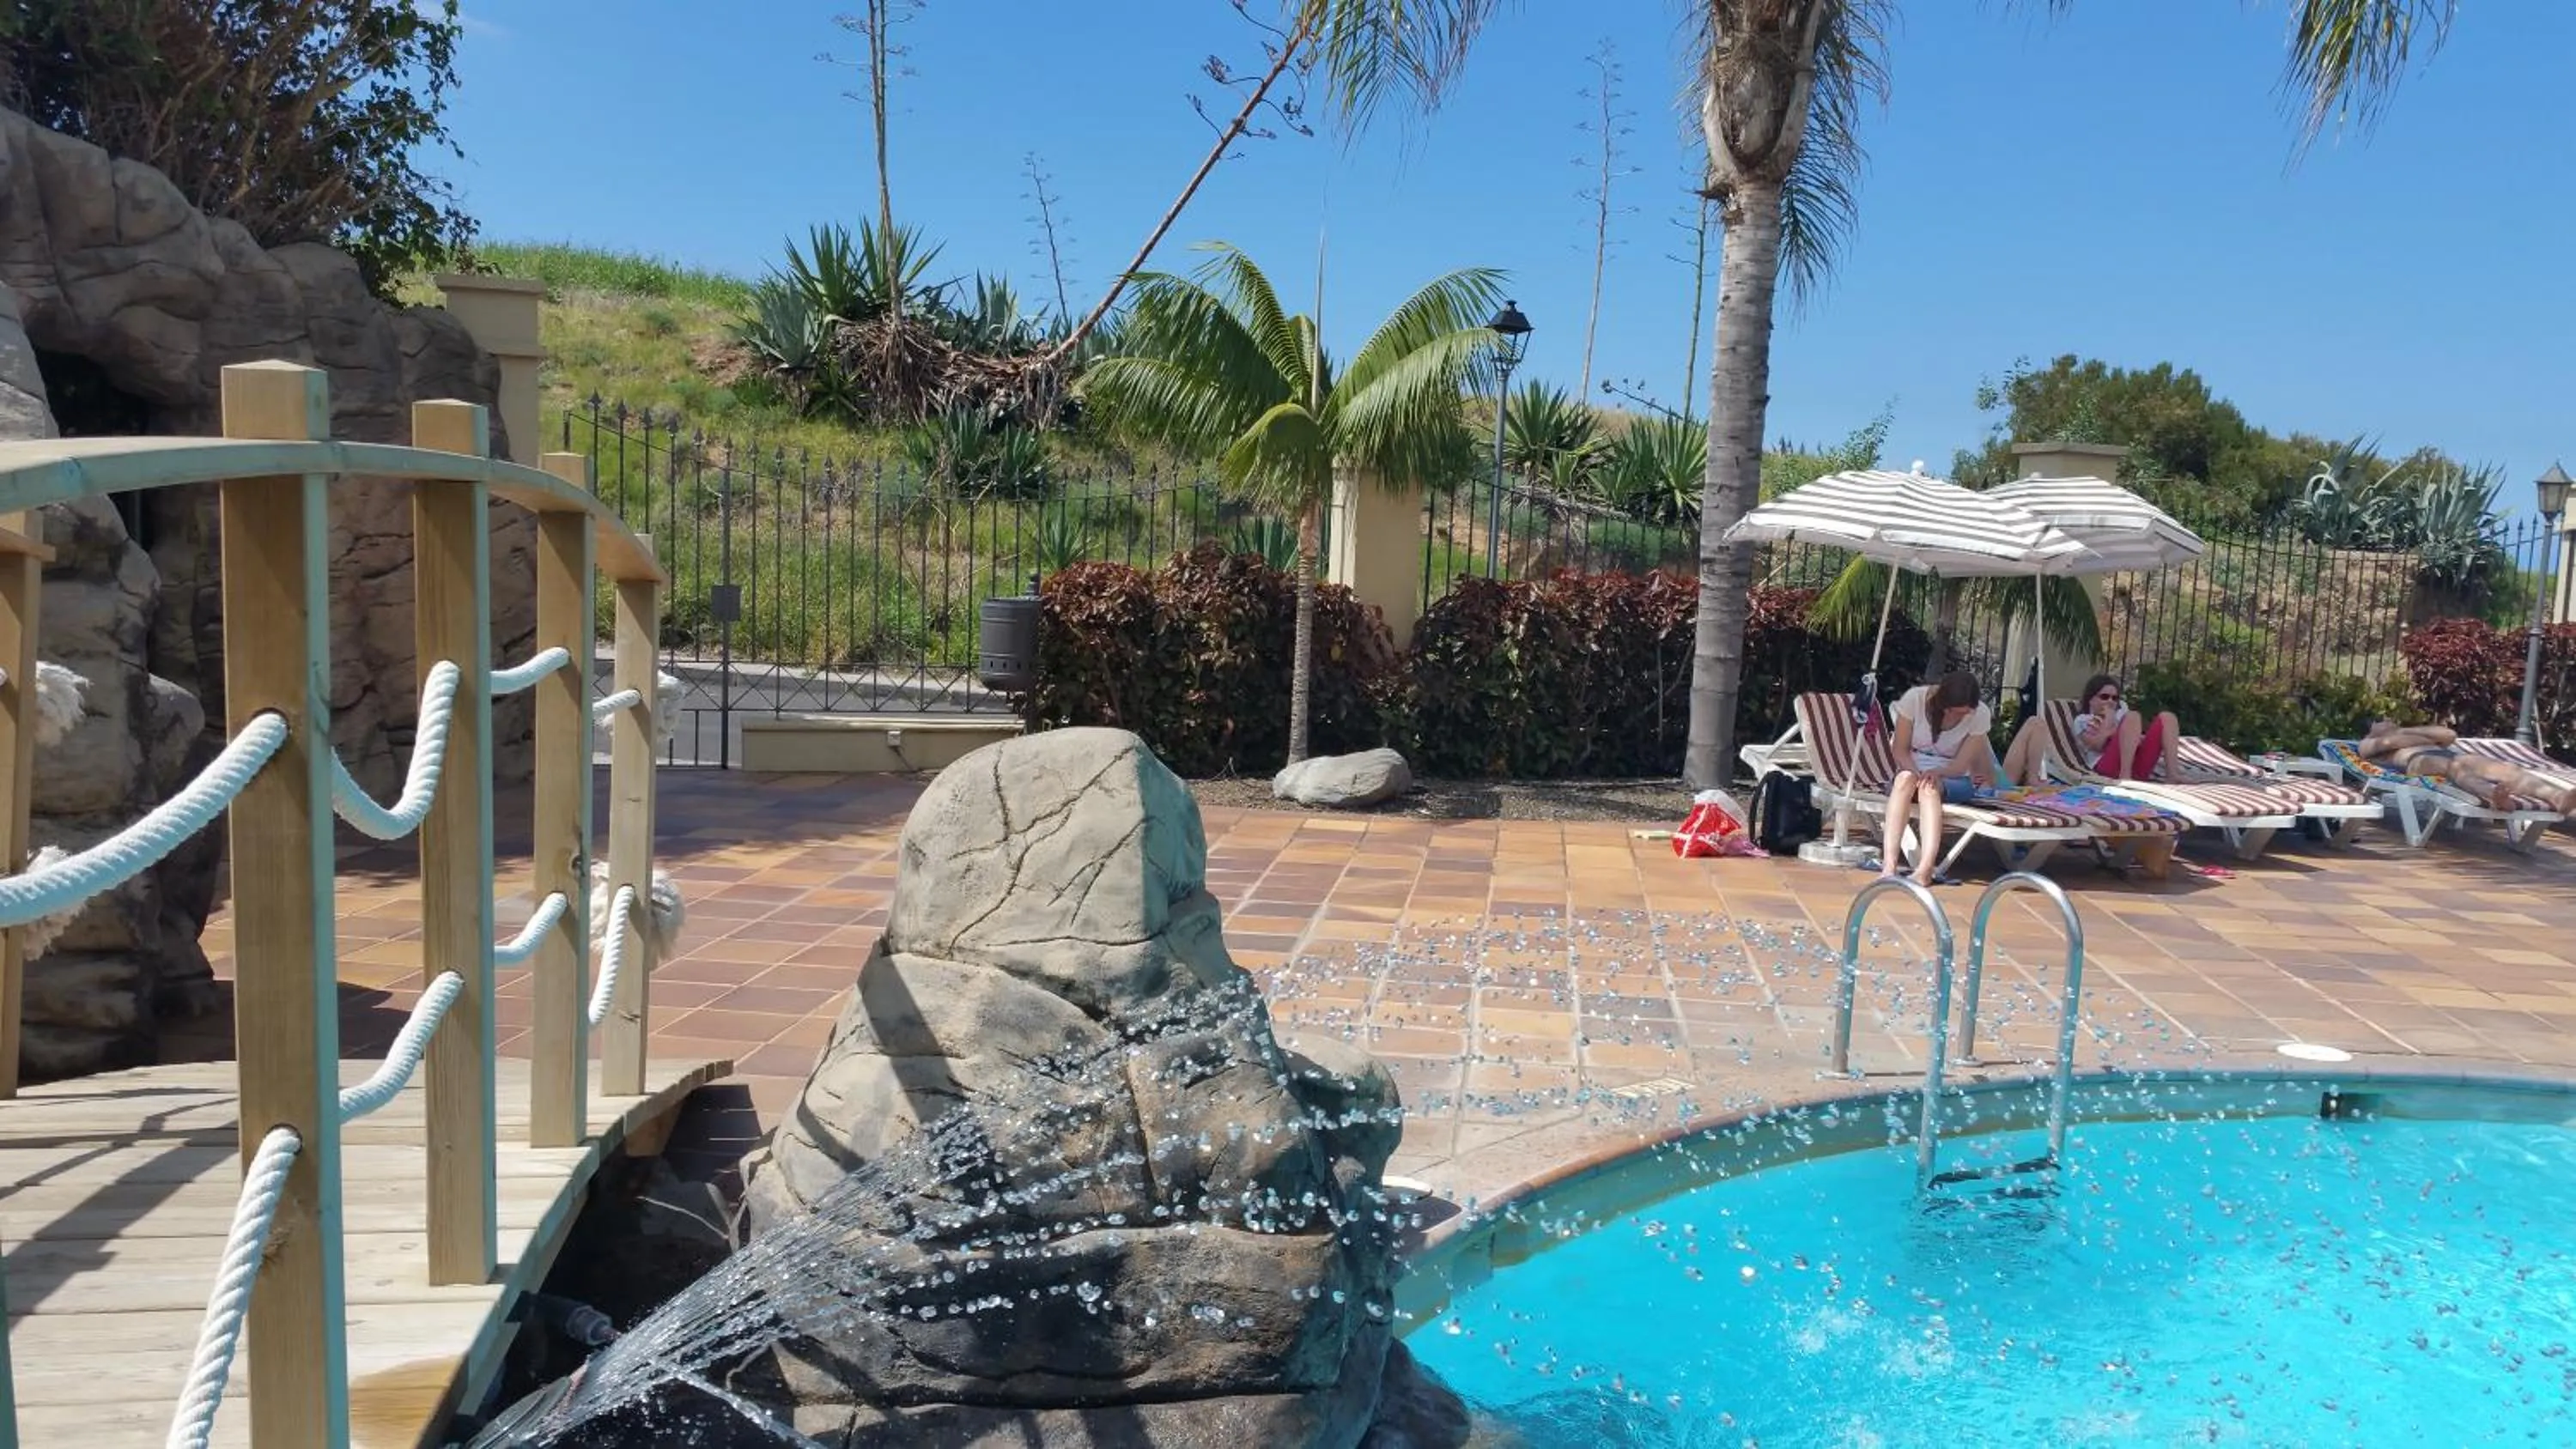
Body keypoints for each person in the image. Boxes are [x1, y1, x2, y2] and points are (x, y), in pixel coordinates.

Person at [1881, 670, 1999, 883]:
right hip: (1912, 765)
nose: (1960, 717)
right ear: (1943, 705)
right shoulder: (1914, 700)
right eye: (1956, 712)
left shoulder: (1979, 714)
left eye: (1965, 713)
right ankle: (1889, 866)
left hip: (1953, 776)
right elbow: (1900, 750)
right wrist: (1916, 773)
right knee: (1903, 780)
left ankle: (1925, 868)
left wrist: (1937, 773)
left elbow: (1960, 765)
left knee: (1929, 788)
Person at [2353, 720, 2576, 814]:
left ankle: (2556, 796)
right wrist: (2395, 733)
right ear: (2372, 728)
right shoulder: (2369, 742)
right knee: (2455, 766)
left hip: (2450, 754)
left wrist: (2403, 729)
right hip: (2415, 762)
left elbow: (2449, 734)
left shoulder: (2406, 732)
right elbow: (2394, 744)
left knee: (2507, 769)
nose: (2387, 720)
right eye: (2380, 721)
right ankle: (2492, 795)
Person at [2002, 673, 2178, 785]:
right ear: (2091, 699)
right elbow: (2096, 744)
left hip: (2138, 767)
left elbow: (2136, 735)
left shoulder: (2122, 712)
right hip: (2107, 768)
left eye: (2115, 698)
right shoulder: (2083, 720)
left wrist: (2131, 735)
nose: (2110, 701)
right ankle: (2125, 777)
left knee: (2167, 718)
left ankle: (2172, 773)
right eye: (2104, 696)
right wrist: (2110, 725)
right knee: (2133, 717)